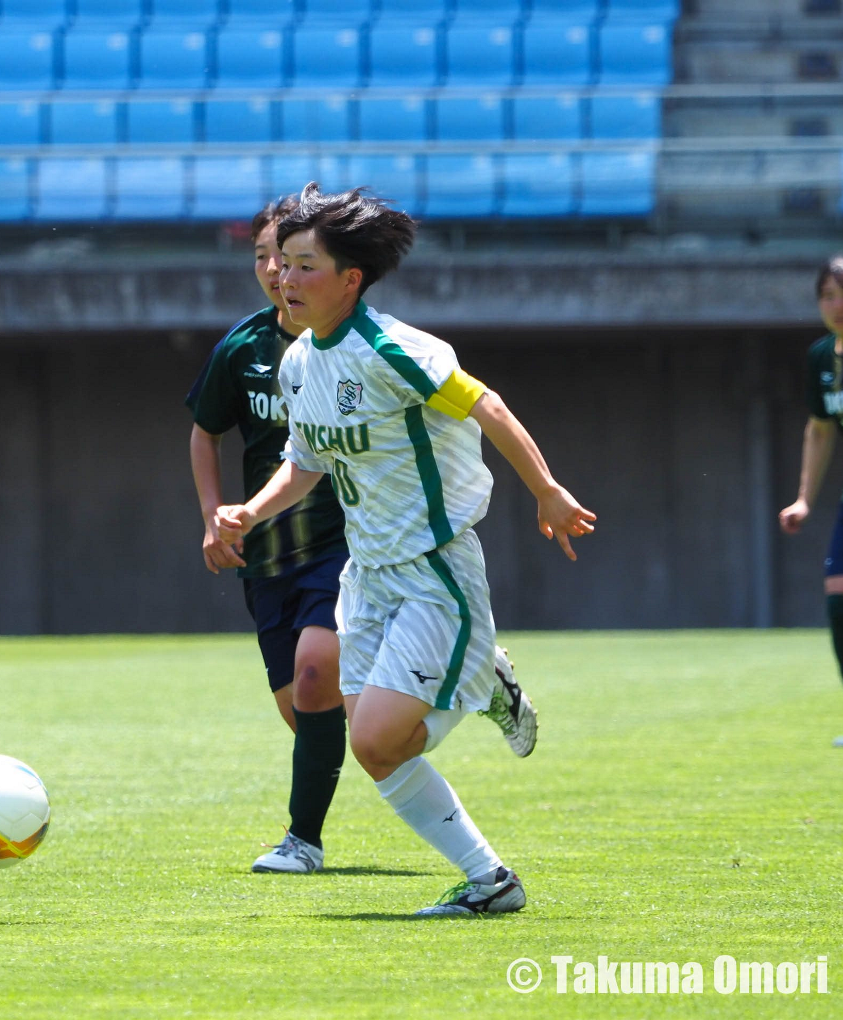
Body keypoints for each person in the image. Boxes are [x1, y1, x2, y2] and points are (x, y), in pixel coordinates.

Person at [214, 183, 595, 916]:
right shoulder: (298, 364)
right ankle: (492, 882)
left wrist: (545, 489)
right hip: (367, 576)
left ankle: (482, 684)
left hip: (433, 570)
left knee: (383, 734)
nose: (284, 280)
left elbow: (484, 403)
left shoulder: (393, 349)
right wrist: (252, 511)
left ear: (349, 279)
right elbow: (306, 460)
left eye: (303, 266)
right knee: (376, 746)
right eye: (281, 265)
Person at [185, 195, 351, 873]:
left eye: (285, 255)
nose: (273, 267)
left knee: (316, 678)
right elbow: (204, 431)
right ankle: (457, 689)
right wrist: (212, 515)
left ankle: (302, 842)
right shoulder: (245, 346)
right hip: (265, 554)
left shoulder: (349, 346)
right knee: (308, 712)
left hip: (343, 545)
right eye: (261, 256)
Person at [779, 254, 843, 748]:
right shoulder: (822, 358)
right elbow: (820, 430)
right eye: (828, 296)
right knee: (842, 606)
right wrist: (803, 500)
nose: (838, 305)